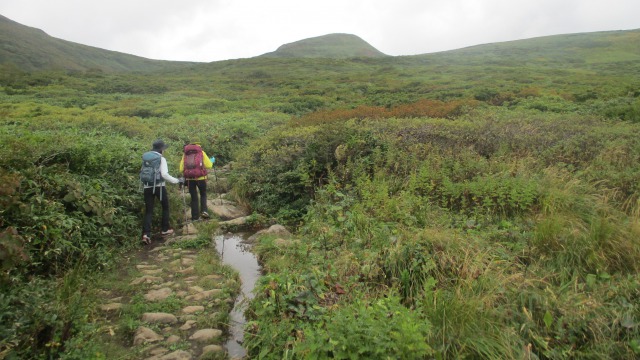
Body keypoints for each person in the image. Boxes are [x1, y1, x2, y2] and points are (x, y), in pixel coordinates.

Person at [141, 139, 183, 244]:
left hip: (147, 187)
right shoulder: (161, 158)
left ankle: (146, 234)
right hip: (159, 187)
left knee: (149, 211)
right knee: (165, 207)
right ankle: (165, 229)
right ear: (161, 150)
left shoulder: (146, 157)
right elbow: (164, 174)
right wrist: (177, 181)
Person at [179, 141, 213, 221]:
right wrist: (211, 161)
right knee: (203, 194)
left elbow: (181, 169)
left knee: (194, 198)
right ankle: (204, 211)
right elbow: (209, 165)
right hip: (201, 178)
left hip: (189, 179)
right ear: (198, 145)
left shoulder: (185, 154)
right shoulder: (201, 152)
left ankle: (195, 217)